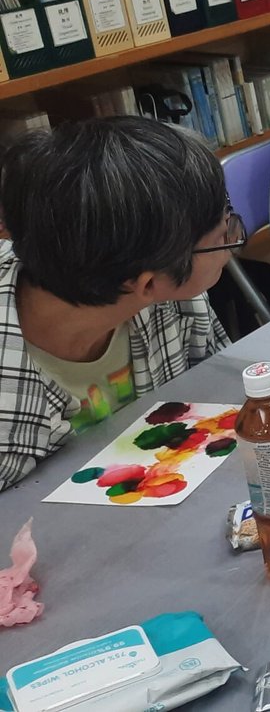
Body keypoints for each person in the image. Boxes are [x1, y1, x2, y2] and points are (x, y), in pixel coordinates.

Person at [0, 117, 235, 491]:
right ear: (148, 283)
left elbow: (222, 397)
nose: (230, 246)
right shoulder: (9, 399)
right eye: (223, 236)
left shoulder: (173, 298)